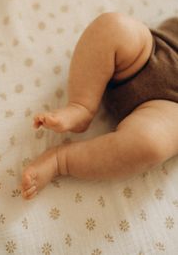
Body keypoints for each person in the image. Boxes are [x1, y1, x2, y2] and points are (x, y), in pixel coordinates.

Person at [20, 12, 178, 200]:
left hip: (169, 110)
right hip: (155, 50)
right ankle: (80, 106)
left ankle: (61, 161)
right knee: (113, 27)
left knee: (150, 144)